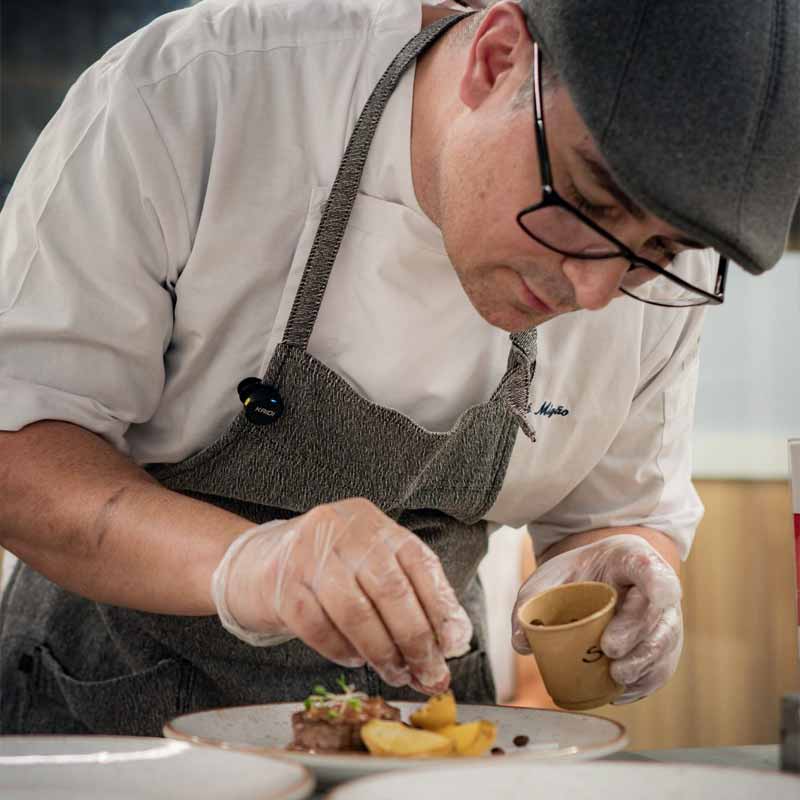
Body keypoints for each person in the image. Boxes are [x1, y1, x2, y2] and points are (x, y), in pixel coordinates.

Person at [0, 0, 797, 736]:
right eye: (586, 202)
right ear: (496, 58)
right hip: (104, 723)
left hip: (425, 740)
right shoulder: (194, 93)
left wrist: (624, 569)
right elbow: (18, 454)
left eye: (656, 251)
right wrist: (251, 564)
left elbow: (615, 515)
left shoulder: (653, 274)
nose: (592, 291)